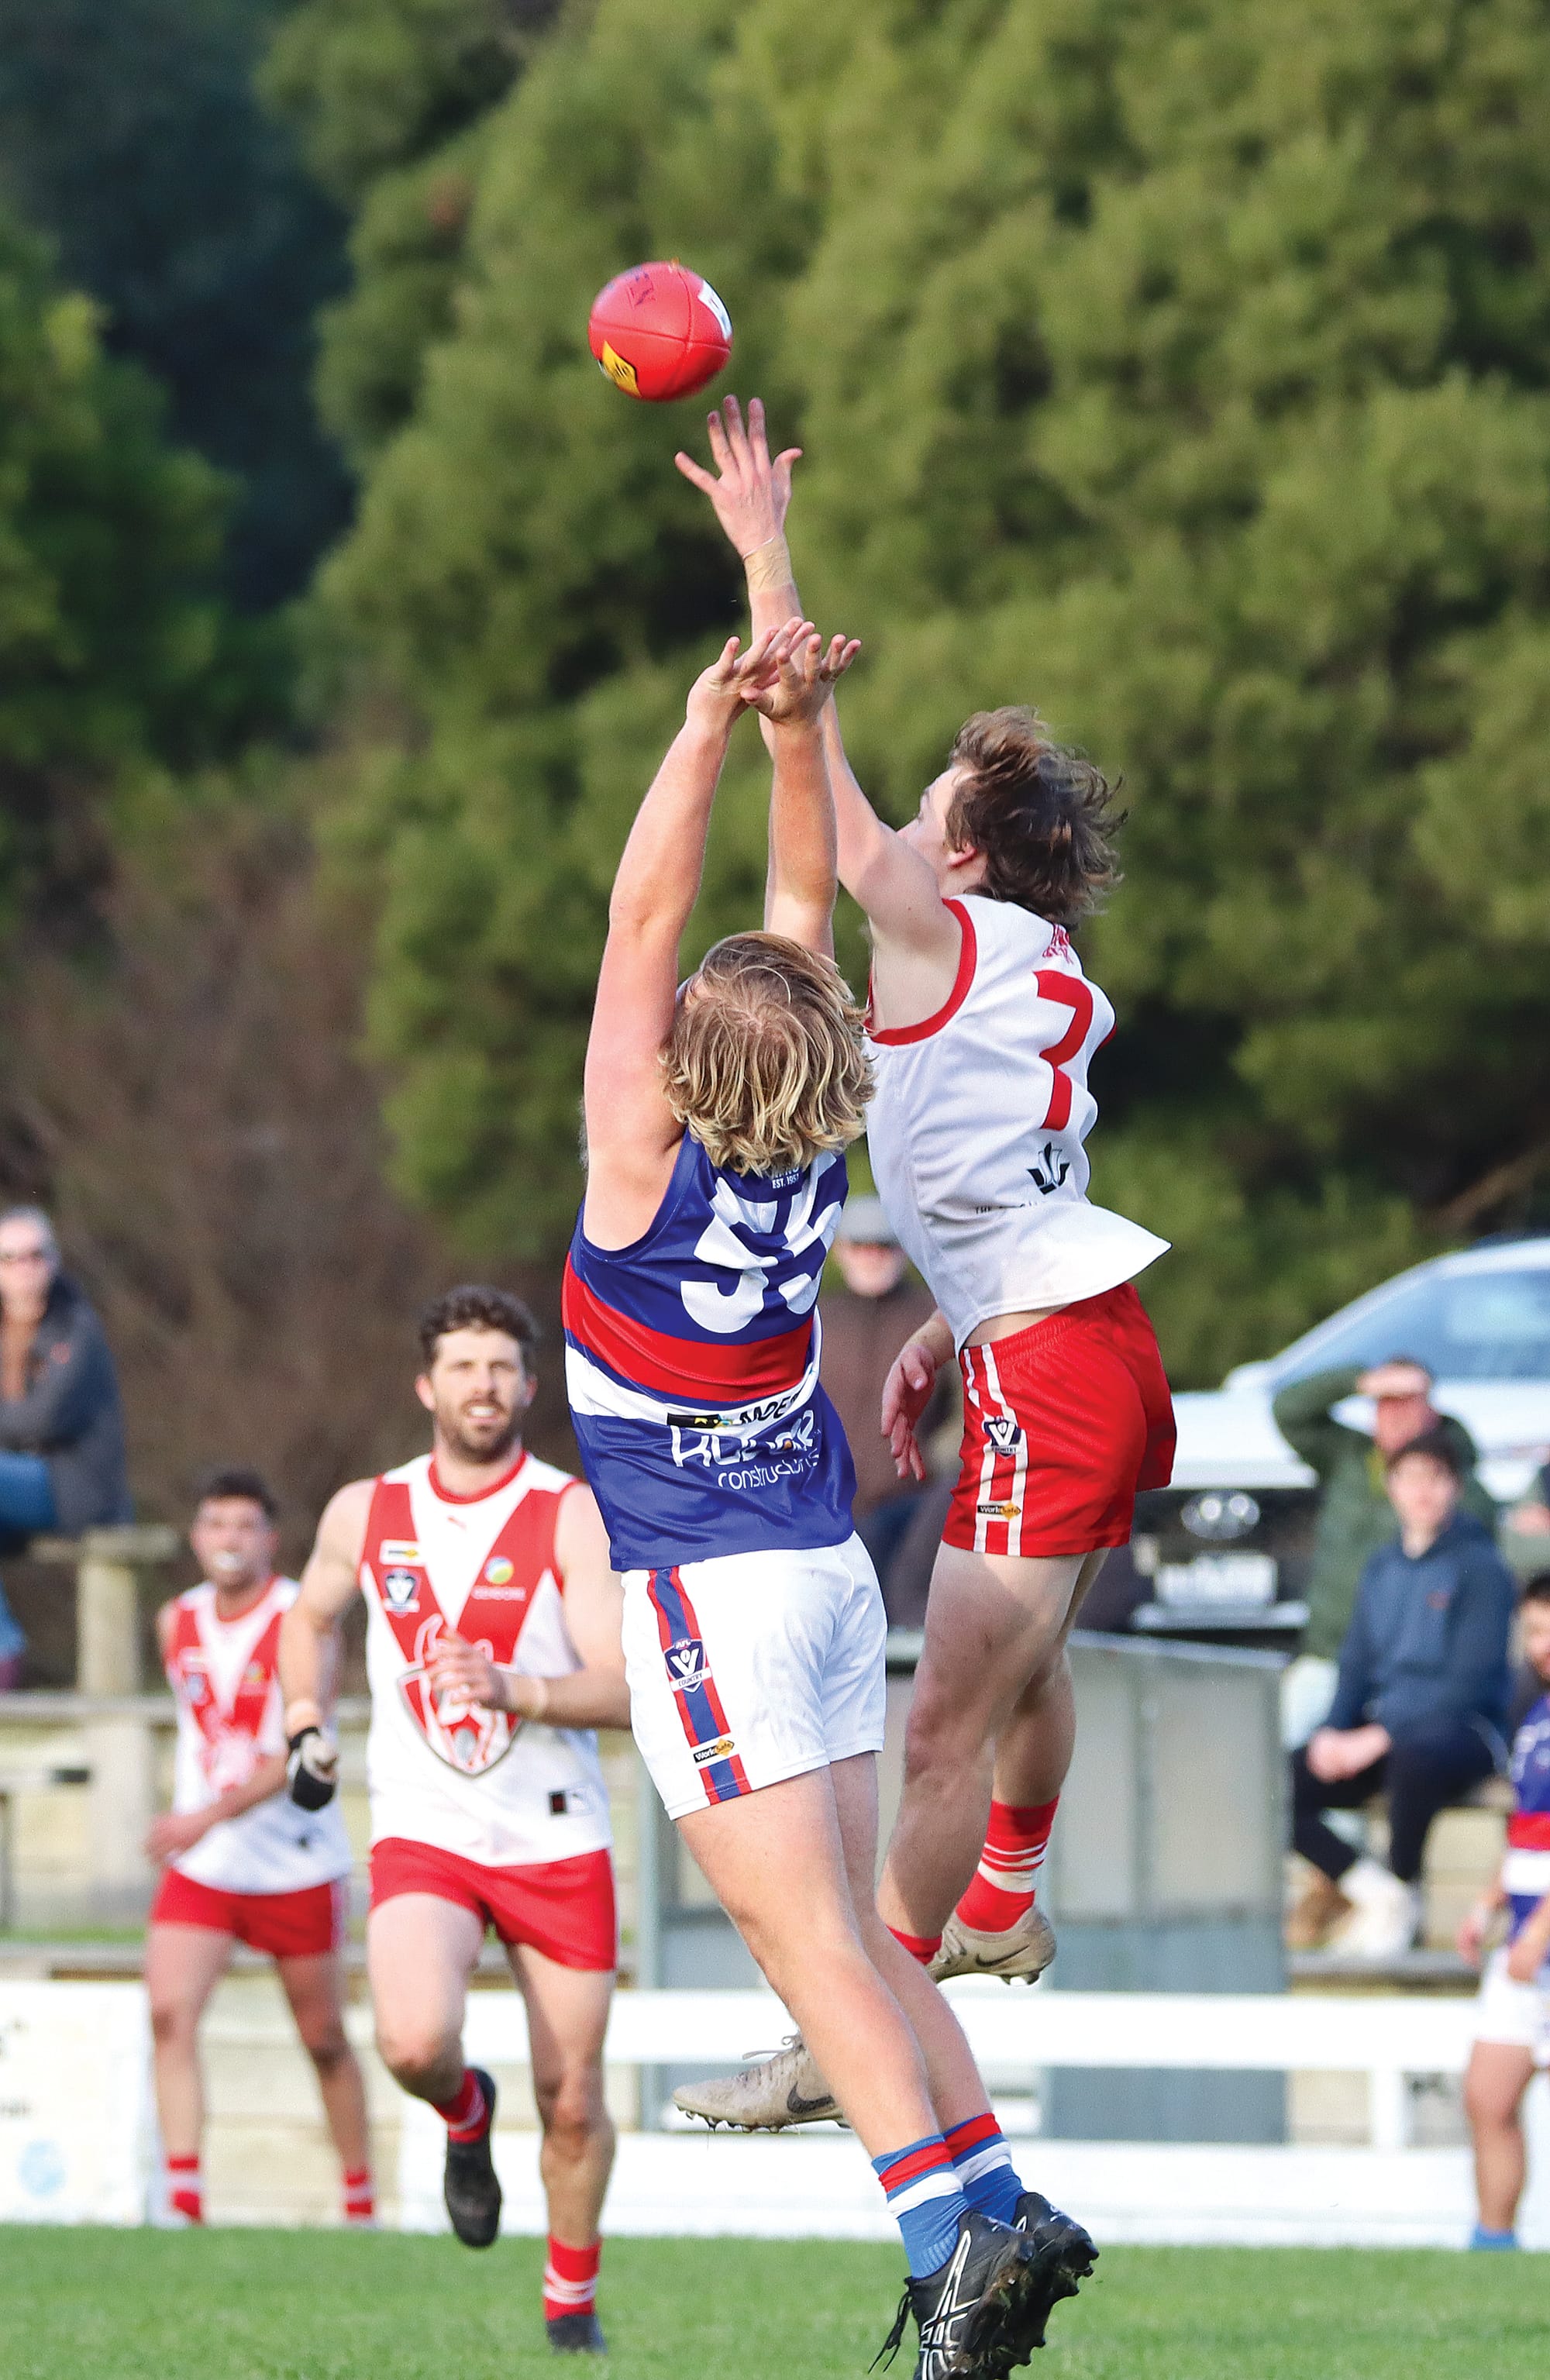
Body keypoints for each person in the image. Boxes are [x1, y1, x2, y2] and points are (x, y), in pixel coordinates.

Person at [566, 608, 1092, 2378]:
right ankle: (1000, 2194)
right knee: (866, 1940)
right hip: (819, 1570)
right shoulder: (811, 1134)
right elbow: (789, 903)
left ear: (683, 1061)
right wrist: (770, 717)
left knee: (813, 1961)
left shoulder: (637, 1156)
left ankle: (952, 2253)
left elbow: (643, 919)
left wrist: (704, 719)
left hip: (707, 1592)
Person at [671, 396, 1171, 2124]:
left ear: (957, 851)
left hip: (1057, 1358)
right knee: (1027, 1663)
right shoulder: (1033, 955)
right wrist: (956, 1329)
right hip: (1093, 1337)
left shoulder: (944, 923)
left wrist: (766, 561)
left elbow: (815, 796)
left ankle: (847, 2035)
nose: (917, 818)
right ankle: (1009, 1896)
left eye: (936, 802)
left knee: (943, 1718)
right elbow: (1018, 1176)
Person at [277, 1286, 629, 2354]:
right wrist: (303, 1719)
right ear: (426, 1386)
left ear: (529, 1384)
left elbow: (624, 1684)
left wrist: (517, 1687)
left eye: (501, 1367)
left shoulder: (571, 1510)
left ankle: (570, 2307)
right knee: (412, 2039)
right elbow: (308, 1618)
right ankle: (463, 2111)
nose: (483, 1384)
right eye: (463, 1366)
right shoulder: (364, 1508)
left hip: (555, 1832)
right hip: (425, 1826)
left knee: (572, 2096)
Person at [145, 1467, 369, 2228]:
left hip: (293, 1859)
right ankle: (183, 2200)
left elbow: (302, 1746)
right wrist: (201, 1822)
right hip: (206, 1864)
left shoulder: (303, 1619)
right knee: (169, 2014)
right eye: (216, 1524)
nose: (229, 1539)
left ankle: (359, 2201)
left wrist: (208, 1814)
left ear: (270, 1539)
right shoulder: (175, 1618)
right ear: (195, 1536)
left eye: (245, 1525)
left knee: (324, 2037)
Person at [1290, 1429, 1514, 1958]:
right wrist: (1333, 1730)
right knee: (1285, 1779)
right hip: (1385, 1730)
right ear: (1391, 1486)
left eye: (1435, 1478)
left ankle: (1403, 1886)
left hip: (1464, 1732)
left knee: (1414, 1759)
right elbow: (1357, 1661)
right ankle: (1377, 1893)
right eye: (1410, 1478)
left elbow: (1469, 1682)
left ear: (1455, 1486)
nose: (1422, 1492)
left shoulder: (1483, 1568)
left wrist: (1381, 1735)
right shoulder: (1381, 1566)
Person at [1273, 1356, 1494, 1662]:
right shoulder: (1349, 1455)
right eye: (1385, 1402)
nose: (1395, 1415)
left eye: (1406, 1403)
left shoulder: (1454, 1476)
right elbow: (1288, 1411)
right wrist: (1357, 1381)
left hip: (1409, 1659)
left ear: (1431, 1412)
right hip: (1329, 1650)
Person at [0, 1204, 130, 1686]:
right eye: (10, 1257)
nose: (25, 1267)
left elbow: (45, 1418)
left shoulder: (78, 1327)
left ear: (54, 1260)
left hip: (76, 1489)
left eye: (36, 1255)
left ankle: (3, 1653)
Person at [1459, 1574, 1550, 2250]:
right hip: (1525, 1939)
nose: (1542, 1645)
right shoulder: (1536, 1712)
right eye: (1535, 1631)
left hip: (1539, 1938)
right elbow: (1528, 1826)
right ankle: (1493, 2250)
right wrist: (1489, 1900)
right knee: (1487, 2096)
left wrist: (1541, 1930)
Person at [820, 1195, 947, 1614]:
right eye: (861, 1246)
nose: (872, 1257)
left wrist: (937, 1463)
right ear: (841, 1251)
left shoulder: (935, 1318)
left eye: (884, 1246)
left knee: (904, 1619)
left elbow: (968, 1411)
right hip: (824, 1509)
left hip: (910, 1511)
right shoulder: (816, 1318)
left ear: (904, 1250)